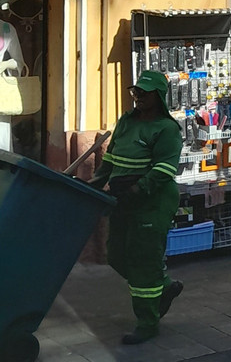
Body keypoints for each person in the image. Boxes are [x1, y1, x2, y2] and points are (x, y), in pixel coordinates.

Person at [89, 70, 184, 344]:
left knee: (143, 263)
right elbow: (111, 158)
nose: (138, 97)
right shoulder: (127, 121)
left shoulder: (167, 129)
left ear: (159, 96)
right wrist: (95, 183)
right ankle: (163, 287)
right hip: (123, 200)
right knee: (116, 256)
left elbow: (165, 168)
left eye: (144, 92)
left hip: (152, 202)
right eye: (136, 92)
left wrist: (137, 189)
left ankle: (147, 323)